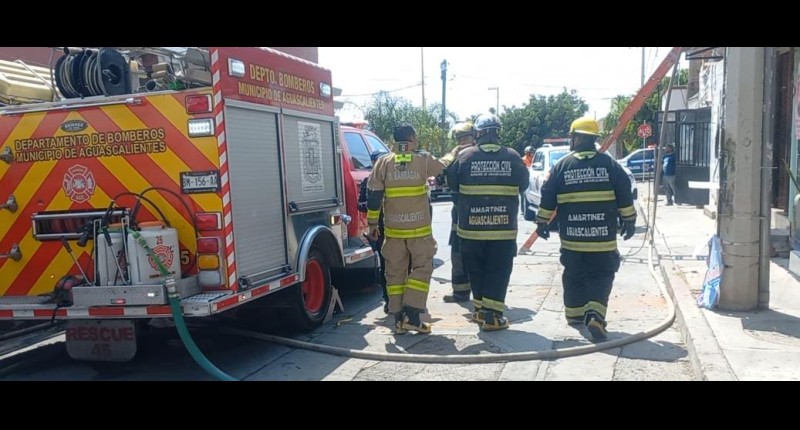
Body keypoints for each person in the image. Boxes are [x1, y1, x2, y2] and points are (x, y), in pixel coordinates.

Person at [535, 116, 636, 341]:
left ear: (579, 138)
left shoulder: (562, 166)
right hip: (602, 239)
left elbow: (548, 195)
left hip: (572, 239)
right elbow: (624, 192)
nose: (571, 140)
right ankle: (595, 315)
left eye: (572, 137)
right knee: (601, 274)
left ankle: (575, 315)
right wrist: (629, 219)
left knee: (573, 274)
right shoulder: (609, 165)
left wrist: (542, 222)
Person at [366, 123, 453, 334]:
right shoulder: (423, 159)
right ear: (412, 138)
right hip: (419, 231)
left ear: (394, 140)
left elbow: (374, 196)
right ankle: (412, 317)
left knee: (395, 275)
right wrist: (455, 152)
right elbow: (443, 167)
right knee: (422, 269)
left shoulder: (383, 162)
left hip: (394, 232)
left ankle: (398, 321)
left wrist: (372, 225)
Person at [447, 113, 529, 331]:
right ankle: (492, 316)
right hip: (503, 230)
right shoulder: (513, 157)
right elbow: (523, 185)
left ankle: (482, 311)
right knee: (498, 270)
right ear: (498, 132)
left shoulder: (464, 156)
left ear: (478, 134)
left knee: (476, 270)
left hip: (471, 231)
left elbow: (452, 184)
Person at [442, 121, 476, 303]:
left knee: (475, 255)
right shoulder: (456, 156)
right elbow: (441, 169)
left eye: (464, 138)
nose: (461, 142)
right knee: (457, 254)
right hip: (460, 212)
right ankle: (460, 292)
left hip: (474, 213)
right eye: (459, 139)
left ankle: (481, 295)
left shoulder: (477, 155)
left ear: (474, 137)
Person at [358, 151, 389, 313]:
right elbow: (360, 204)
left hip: (398, 226)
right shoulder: (368, 181)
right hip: (380, 229)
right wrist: (373, 204)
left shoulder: (396, 179)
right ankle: (388, 300)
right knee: (385, 264)